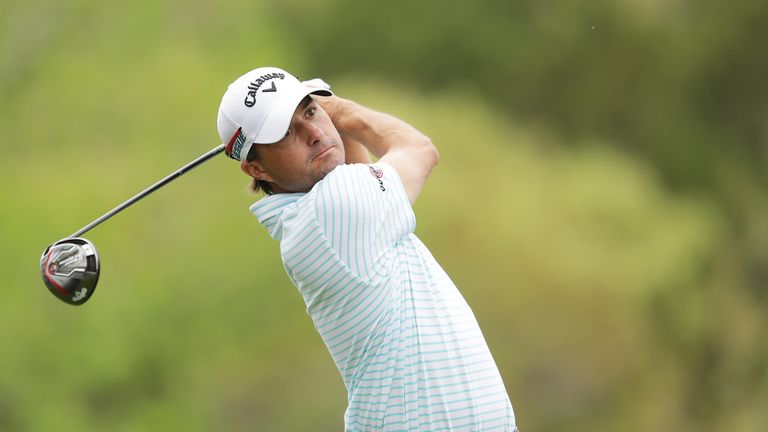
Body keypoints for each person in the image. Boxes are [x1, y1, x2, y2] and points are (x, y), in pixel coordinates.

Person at [217, 67, 517, 431]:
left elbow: (358, 174)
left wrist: (328, 118)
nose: (313, 133)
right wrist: (337, 108)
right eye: (286, 132)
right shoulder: (331, 210)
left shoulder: (329, 213)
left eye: (310, 112)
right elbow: (419, 150)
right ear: (257, 169)